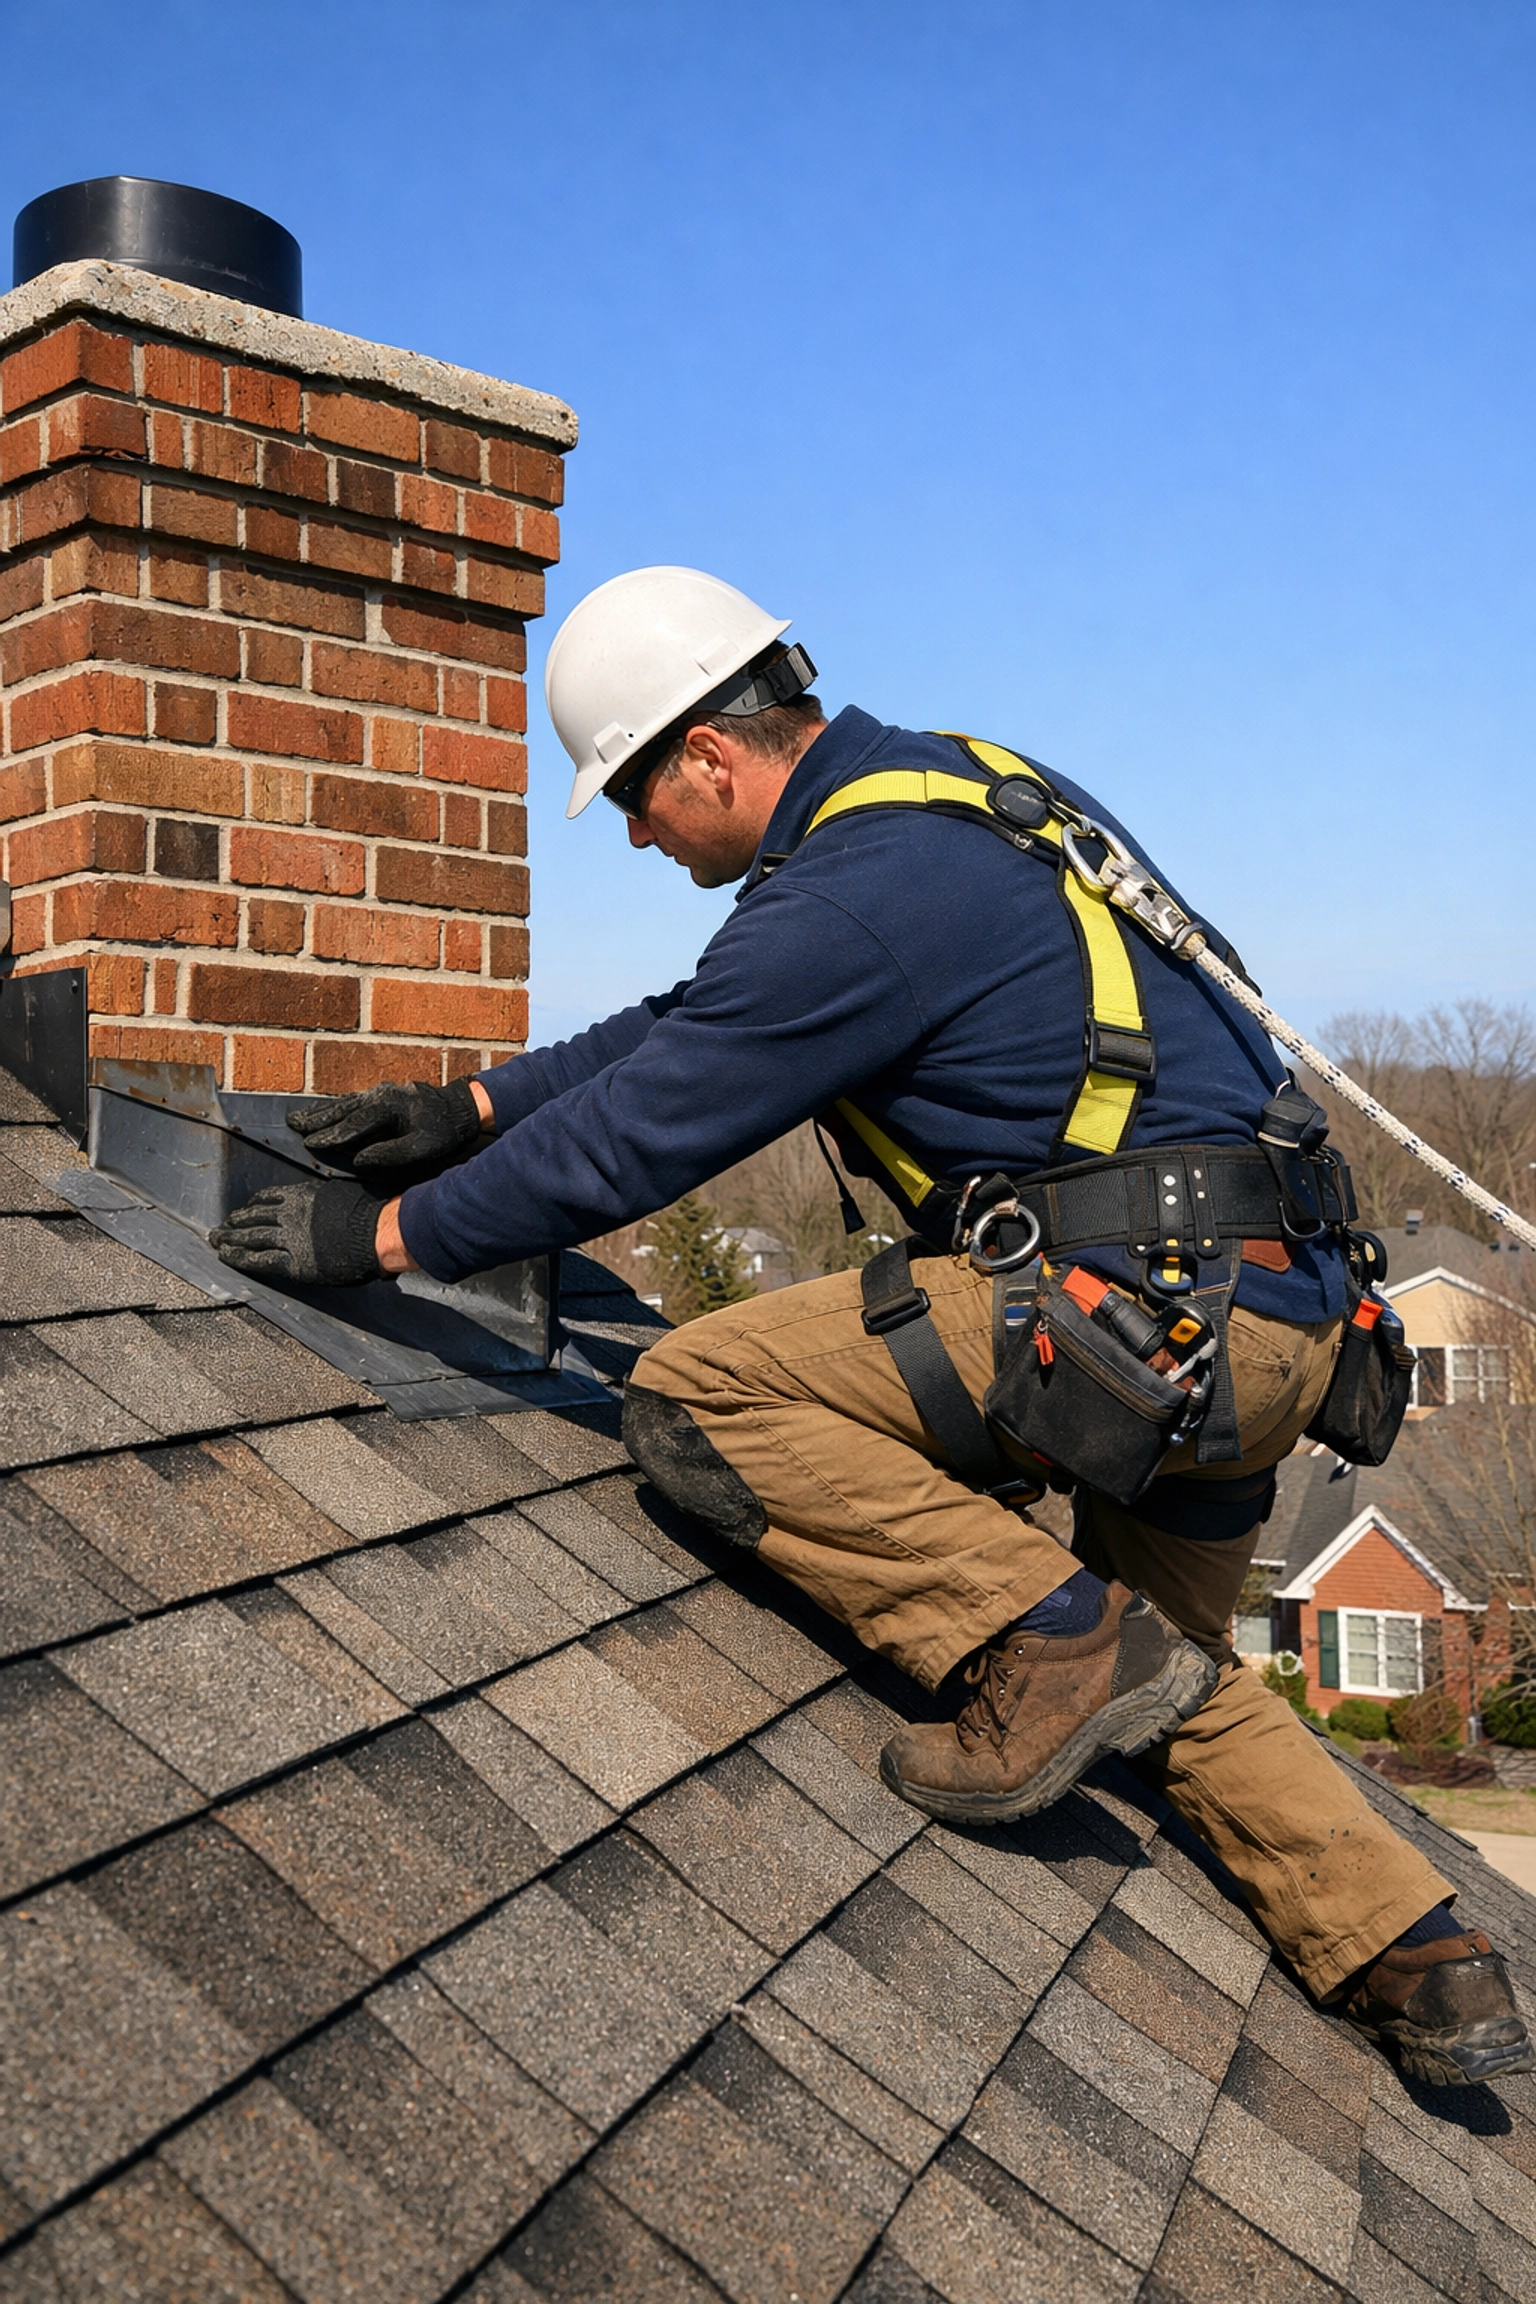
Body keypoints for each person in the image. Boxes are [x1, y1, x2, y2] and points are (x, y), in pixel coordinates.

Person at [214, 566, 1530, 2088]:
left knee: (706, 1393)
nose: (638, 835)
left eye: (637, 798)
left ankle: (1046, 1639)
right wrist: (468, 1106)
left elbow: (646, 1133)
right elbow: (691, 1021)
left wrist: (385, 1238)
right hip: (1283, 1323)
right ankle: (1417, 1948)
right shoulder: (963, 796)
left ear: (710, 755)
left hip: (1140, 1324)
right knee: (1166, 1665)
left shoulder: (858, 893)